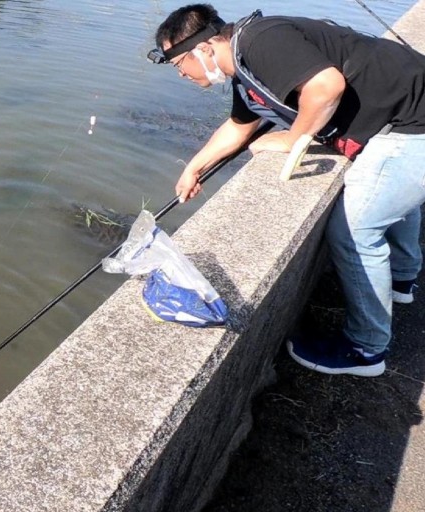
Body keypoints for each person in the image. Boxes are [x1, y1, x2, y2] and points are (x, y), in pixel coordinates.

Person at [150, 4, 425, 376]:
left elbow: (326, 86)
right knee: (391, 194)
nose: (181, 73)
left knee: (354, 230)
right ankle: (402, 277)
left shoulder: (261, 40)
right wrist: (194, 168)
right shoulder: (245, 67)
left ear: (203, 48)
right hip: (402, 116)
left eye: (179, 64)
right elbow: (239, 127)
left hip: (412, 123)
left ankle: (366, 350)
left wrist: (293, 138)